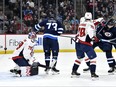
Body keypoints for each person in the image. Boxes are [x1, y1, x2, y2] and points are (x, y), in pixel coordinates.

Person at [71, 12, 99, 78]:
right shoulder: (90, 24)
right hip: (86, 44)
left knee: (79, 58)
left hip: (78, 44)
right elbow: (91, 34)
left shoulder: (81, 24)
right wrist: (95, 38)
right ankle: (93, 73)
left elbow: (78, 34)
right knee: (93, 59)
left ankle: (74, 71)